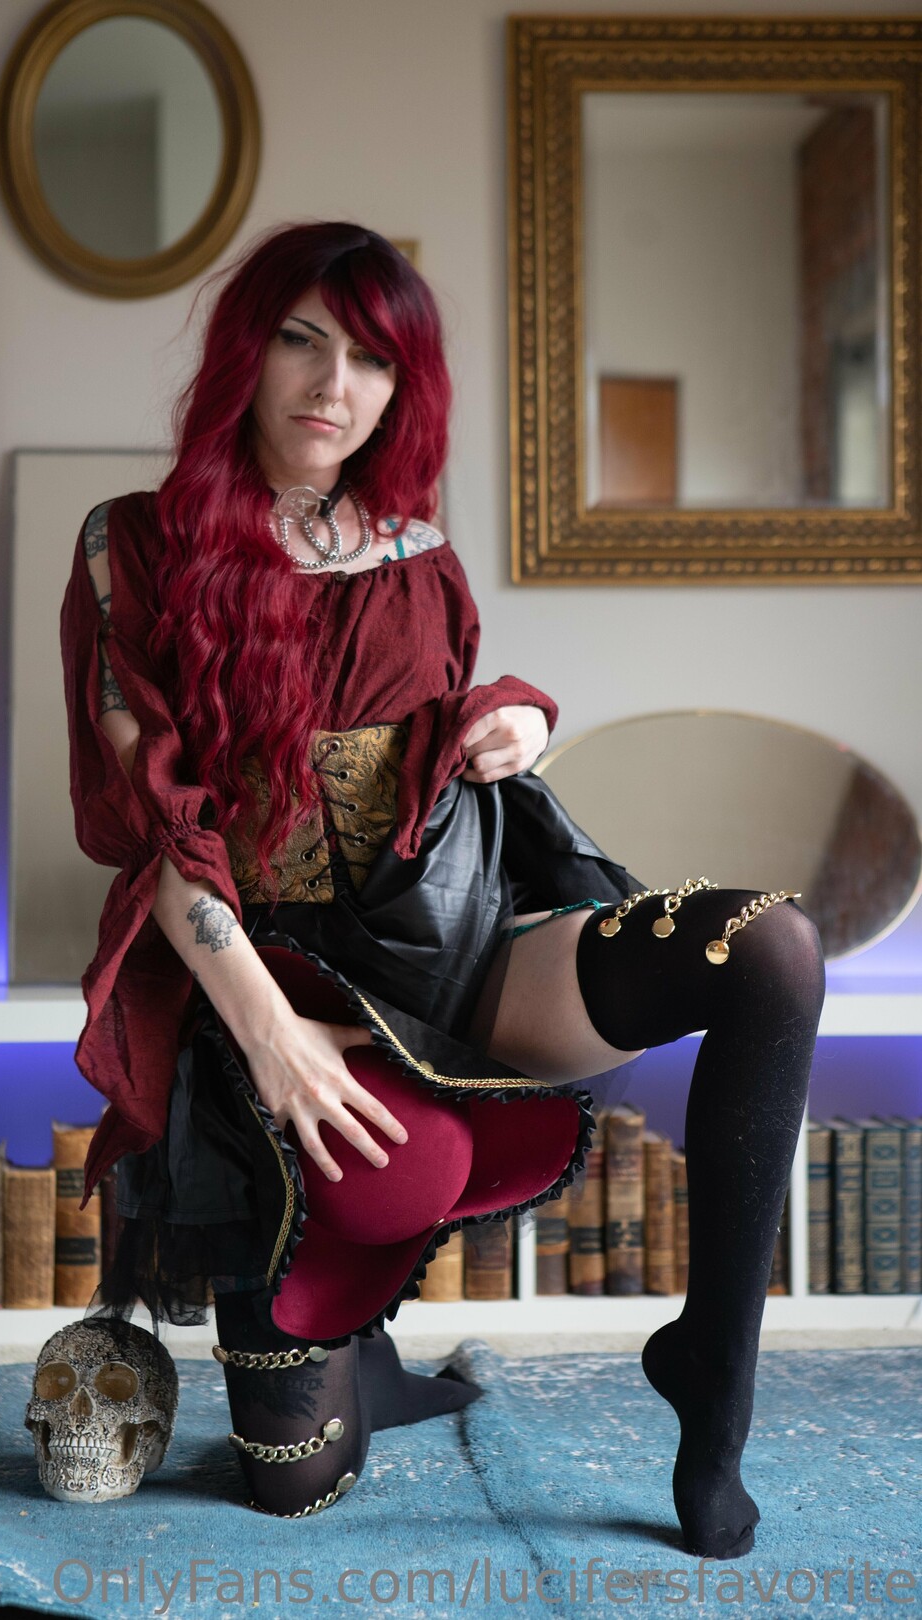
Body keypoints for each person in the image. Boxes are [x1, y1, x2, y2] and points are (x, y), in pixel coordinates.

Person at [59, 221, 825, 1555]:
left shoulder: (419, 554)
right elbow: (159, 828)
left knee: (775, 950)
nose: (333, 385)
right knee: (294, 1479)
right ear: (246, 350)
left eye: (372, 359)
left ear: (402, 387)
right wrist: (271, 1036)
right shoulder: (129, 546)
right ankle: (362, 1354)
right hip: (272, 980)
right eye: (302, 340)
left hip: (456, 948)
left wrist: (514, 719)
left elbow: (440, 744)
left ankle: (715, 1371)